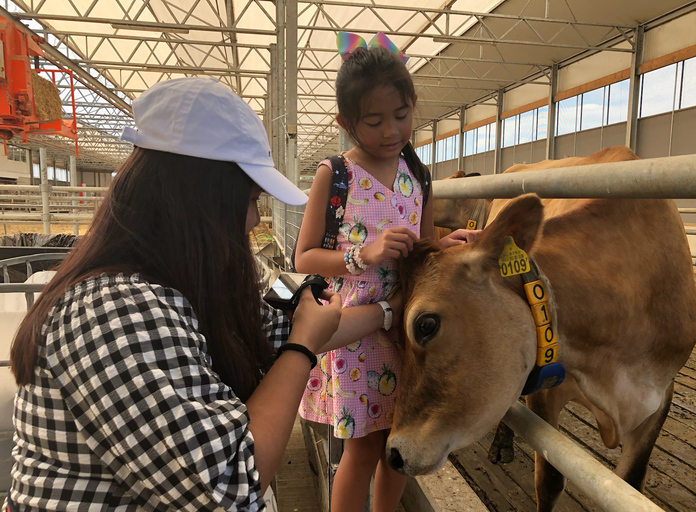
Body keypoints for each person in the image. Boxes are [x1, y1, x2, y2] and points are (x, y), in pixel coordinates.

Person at [5, 77, 400, 512]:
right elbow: (233, 483)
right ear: (200, 201)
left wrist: (387, 310)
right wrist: (302, 349)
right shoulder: (111, 312)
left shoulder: (189, 284)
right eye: (250, 201)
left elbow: (290, 326)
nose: (253, 220)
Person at [293, 33, 477, 512]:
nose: (391, 130)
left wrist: (443, 246)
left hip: (408, 331)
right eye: (374, 121)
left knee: (401, 445)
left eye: (402, 115)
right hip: (355, 332)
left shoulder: (418, 174)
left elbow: (420, 244)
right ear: (346, 123)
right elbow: (305, 257)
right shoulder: (335, 175)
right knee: (363, 446)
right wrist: (364, 254)